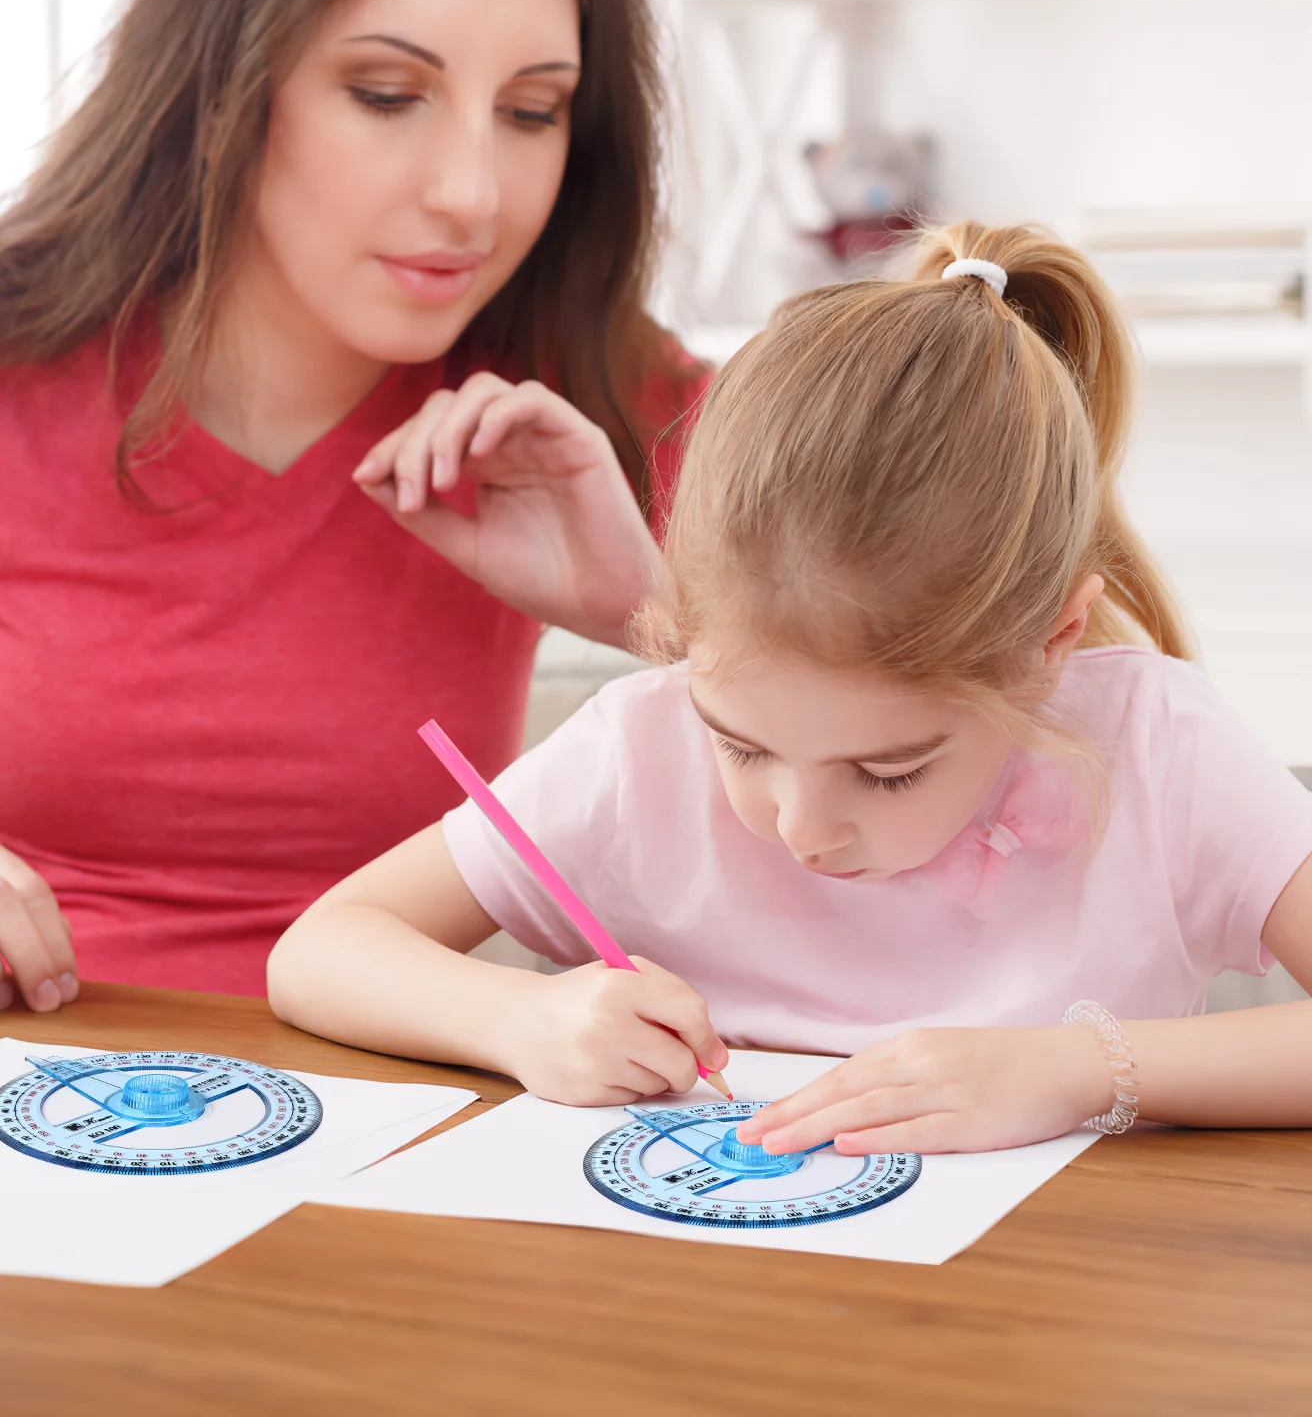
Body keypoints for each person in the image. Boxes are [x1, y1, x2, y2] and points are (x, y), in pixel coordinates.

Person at [0, 0, 702, 1009]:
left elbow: (938, 770)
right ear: (224, 81)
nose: (472, 194)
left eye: (533, 111)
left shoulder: (591, 403)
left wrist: (647, 614)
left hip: (369, 1140)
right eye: (387, 94)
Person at [268, 221, 1312, 1153]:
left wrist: (1083, 1068)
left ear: (1051, 644)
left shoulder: (1154, 745)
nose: (801, 827)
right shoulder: (641, 743)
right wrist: (512, 1019)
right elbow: (320, 952)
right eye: (743, 746)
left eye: (888, 771)